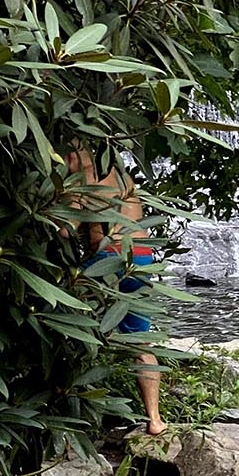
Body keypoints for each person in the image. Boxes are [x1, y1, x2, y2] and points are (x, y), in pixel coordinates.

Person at [68, 148, 166, 435]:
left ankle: (75, 416)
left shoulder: (82, 174)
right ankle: (155, 419)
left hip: (108, 258)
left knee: (74, 328)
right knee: (141, 343)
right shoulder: (122, 173)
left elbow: (65, 228)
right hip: (142, 257)